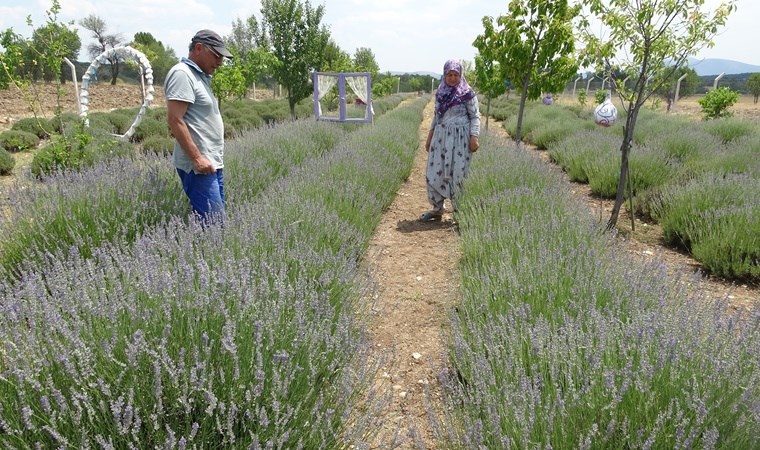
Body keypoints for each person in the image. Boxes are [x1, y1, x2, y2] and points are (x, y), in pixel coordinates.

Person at [165, 29, 233, 223]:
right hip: (199, 166)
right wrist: (197, 158)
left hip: (211, 163)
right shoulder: (182, 74)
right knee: (214, 225)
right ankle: (209, 253)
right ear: (198, 48)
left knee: (214, 222)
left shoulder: (200, 76)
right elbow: (175, 120)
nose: (220, 62)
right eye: (216, 55)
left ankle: (208, 251)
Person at [419, 59, 481, 222]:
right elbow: (436, 117)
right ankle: (438, 208)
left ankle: (458, 211)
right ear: (445, 75)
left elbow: (475, 117)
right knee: (434, 172)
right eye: (450, 75)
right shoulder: (440, 92)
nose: (453, 78)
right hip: (441, 138)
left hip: (460, 140)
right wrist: (429, 138)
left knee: (459, 173)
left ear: (460, 76)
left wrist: (474, 137)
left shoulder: (467, 93)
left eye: (456, 75)